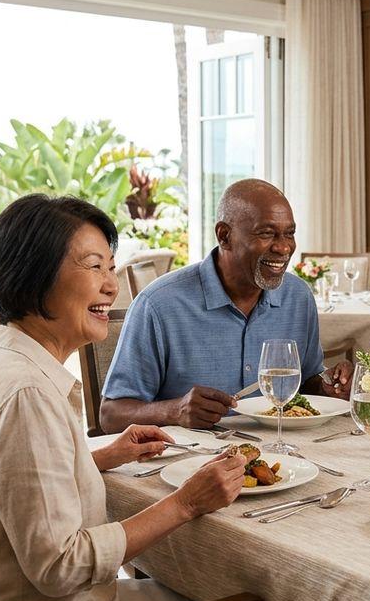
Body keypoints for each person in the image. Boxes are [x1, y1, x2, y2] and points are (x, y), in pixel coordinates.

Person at [0, 194, 283, 601]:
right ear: (35, 274)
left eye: (111, 267)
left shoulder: (2, 363)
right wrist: (185, 503)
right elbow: (59, 565)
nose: (112, 285)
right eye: (94, 267)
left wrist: (102, 456)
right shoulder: (25, 392)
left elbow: (17, 487)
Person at [100, 179, 352, 432]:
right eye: (266, 233)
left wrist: (328, 385)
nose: (284, 247)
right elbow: (111, 416)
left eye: (289, 233)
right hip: (191, 462)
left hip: (288, 457)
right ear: (224, 235)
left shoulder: (298, 297)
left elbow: (307, 382)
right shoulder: (159, 305)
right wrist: (174, 411)